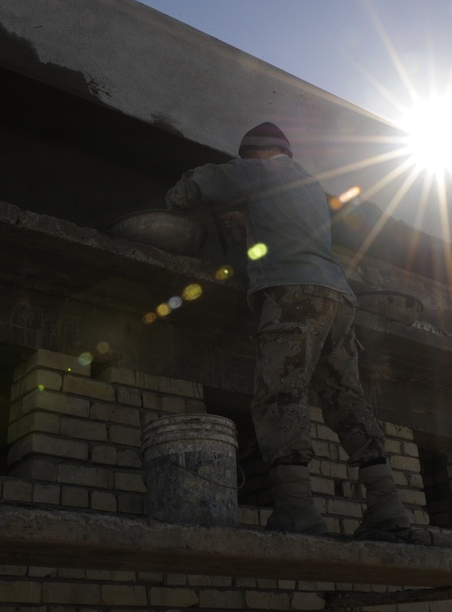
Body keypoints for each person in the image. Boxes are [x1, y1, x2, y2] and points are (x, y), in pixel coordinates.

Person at [165, 122, 410, 537]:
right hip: (338, 299)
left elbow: (209, 179)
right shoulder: (309, 186)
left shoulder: (265, 171)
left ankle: (296, 508)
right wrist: (245, 224)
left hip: (295, 294)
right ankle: (388, 506)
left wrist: (174, 202)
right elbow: (286, 231)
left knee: (281, 393)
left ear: (256, 153)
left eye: (246, 158)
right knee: (345, 399)